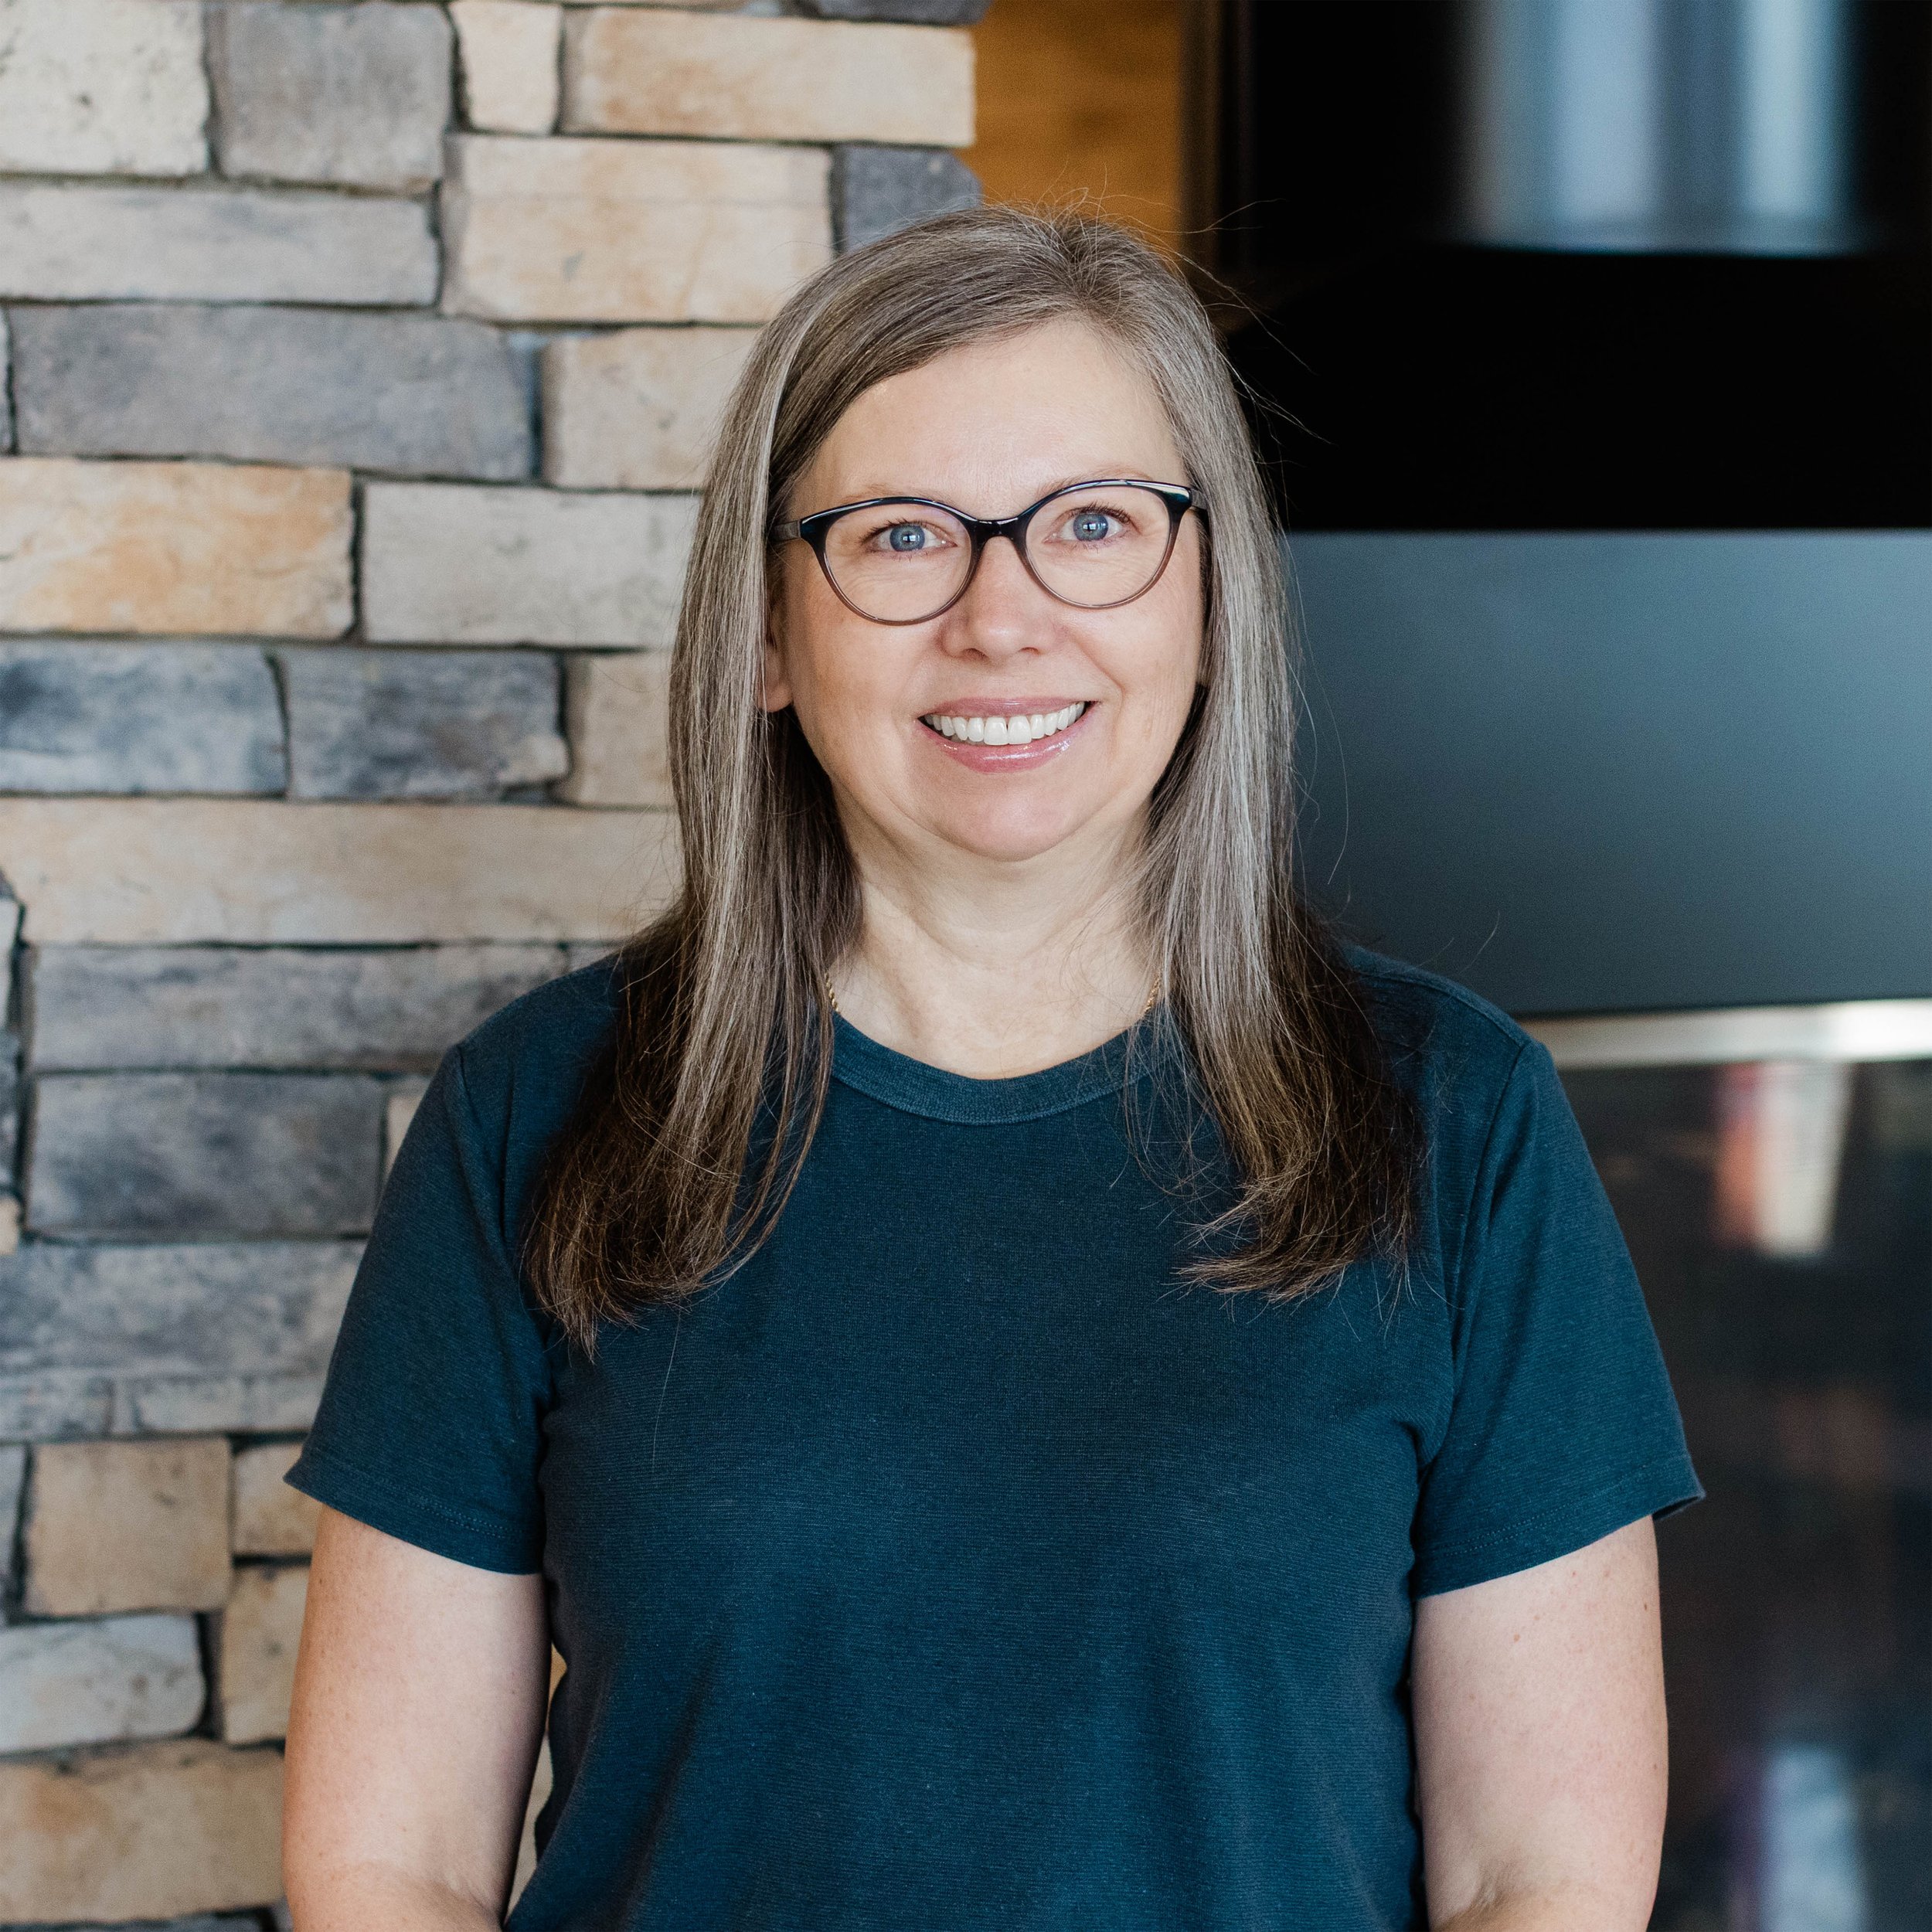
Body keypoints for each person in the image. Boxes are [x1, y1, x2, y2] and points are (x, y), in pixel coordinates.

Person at [280, 207, 1702, 1932]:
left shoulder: (1453, 1117)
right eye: (899, 538)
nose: (1001, 617)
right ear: (766, 639)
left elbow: (1536, 1877)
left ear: (1207, 592)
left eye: (1093, 523)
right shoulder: (536, 1111)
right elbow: (391, 1865)